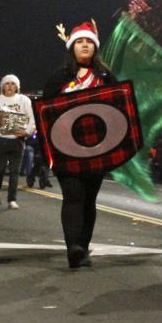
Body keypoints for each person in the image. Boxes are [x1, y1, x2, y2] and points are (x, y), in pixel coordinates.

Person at [42, 20, 117, 269]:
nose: (85, 46)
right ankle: (73, 246)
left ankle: (83, 247)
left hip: (96, 148)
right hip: (65, 148)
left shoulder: (106, 77)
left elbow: (118, 110)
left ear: (95, 48)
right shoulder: (58, 78)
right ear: (72, 47)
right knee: (73, 196)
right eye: (80, 42)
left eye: (89, 42)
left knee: (89, 199)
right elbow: (46, 114)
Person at [0, 74, 36, 210]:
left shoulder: (24, 100)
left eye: (13, 84)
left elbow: (31, 118)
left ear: (17, 87)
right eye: (7, 83)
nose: (10, 86)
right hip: (1, 139)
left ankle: (12, 199)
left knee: (15, 171)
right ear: (2, 86)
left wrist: (27, 131)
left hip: (18, 140)